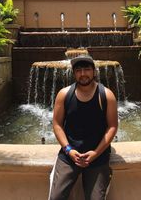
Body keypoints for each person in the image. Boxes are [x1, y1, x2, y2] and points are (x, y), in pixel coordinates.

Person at [48, 54, 118, 200]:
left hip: (98, 157)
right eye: (78, 70)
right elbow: (57, 124)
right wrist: (68, 150)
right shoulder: (64, 94)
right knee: (56, 197)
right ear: (74, 73)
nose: (83, 74)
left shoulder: (106, 95)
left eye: (87, 69)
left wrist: (96, 153)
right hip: (69, 155)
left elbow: (112, 127)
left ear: (94, 71)